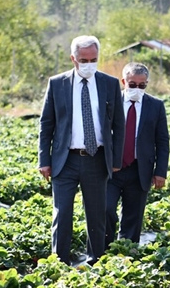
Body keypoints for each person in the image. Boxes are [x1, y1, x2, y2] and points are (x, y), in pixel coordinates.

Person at [38, 35, 125, 265]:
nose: (88, 64)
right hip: (65, 159)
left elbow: (118, 124)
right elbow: (46, 124)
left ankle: (95, 260)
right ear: (73, 59)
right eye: (83, 59)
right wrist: (43, 160)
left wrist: (115, 159)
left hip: (96, 158)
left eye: (93, 59)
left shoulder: (109, 83)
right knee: (62, 212)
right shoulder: (57, 84)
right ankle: (59, 262)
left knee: (96, 215)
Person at [105, 62, 170, 246]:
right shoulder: (110, 102)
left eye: (142, 85)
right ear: (123, 81)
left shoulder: (155, 106)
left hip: (139, 169)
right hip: (112, 168)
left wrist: (160, 171)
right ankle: (105, 247)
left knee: (133, 215)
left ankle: (126, 252)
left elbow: (162, 141)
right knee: (106, 208)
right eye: (132, 84)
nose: (137, 89)